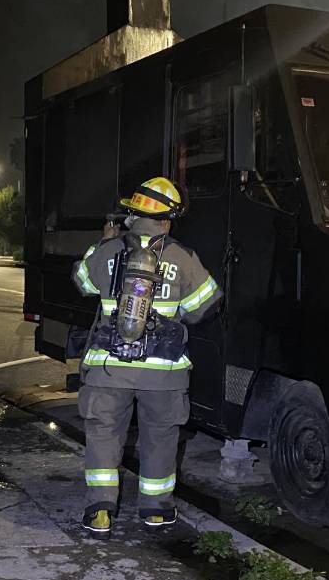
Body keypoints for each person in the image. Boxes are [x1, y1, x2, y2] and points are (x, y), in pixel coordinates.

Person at [71, 177, 222, 538]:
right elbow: (206, 306)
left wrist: (103, 243)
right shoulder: (183, 258)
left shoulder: (106, 252)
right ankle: (155, 511)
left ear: (131, 214)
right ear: (167, 219)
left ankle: (100, 511)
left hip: (109, 370)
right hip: (164, 374)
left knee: (104, 436)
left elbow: (81, 282)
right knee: (160, 437)